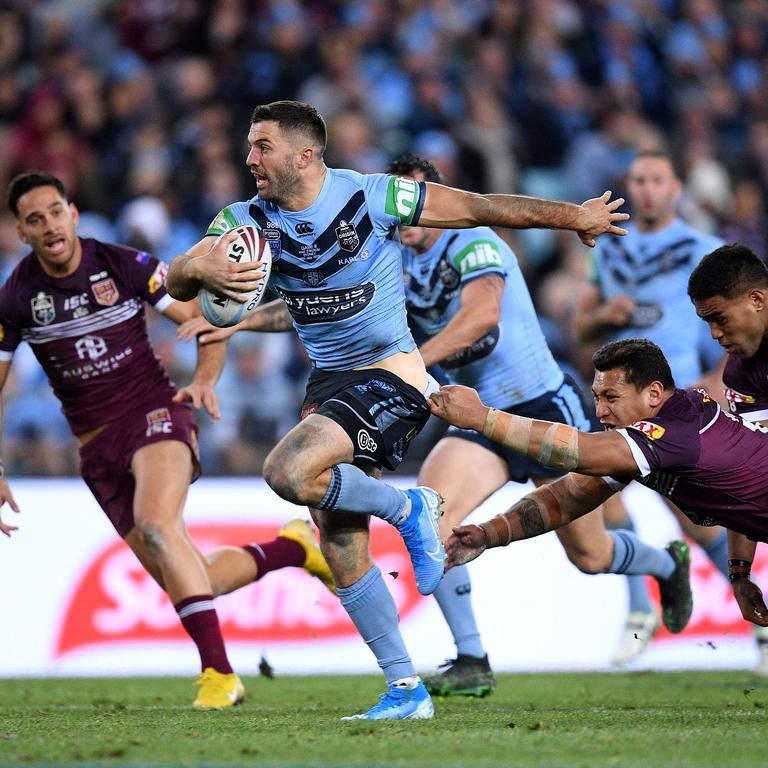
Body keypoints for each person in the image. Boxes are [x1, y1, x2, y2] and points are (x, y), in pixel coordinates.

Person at [164, 100, 629, 720]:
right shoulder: (244, 221)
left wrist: (574, 216)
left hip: (393, 372)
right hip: (327, 383)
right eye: (250, 147)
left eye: (262, 146)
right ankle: (405, 689)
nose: (250, 159)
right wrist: (198, 266)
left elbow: (481, 206)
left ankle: (410, 507)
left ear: (306, 154)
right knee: (338, 538)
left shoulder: (373, 197)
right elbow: (178, 282)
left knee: (287, 471)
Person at [0, 171, 335, 709]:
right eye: (34, 219)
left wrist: (203, 379)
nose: (49, 225)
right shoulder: (16, 298)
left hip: (155, 415)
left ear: (73, 213)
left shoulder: (121, 264)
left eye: (55, 212)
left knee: (158, 525)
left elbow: (208, 320)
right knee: (190, 576)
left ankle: (219, 675)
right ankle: (292, 547)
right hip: (96, 450)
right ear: (21, 230)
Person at [387, 154, 689, 695]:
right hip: (477, 419)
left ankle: (664, 565)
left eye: (416, 203)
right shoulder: (392, 261)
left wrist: (416, 363)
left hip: (545, 408)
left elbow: (481, 317)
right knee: (428, 523)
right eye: (399, 204)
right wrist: (244, 317)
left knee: (591, 556)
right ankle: (472, 658)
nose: (406, 215)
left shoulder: (474, 242)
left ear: (435, 204)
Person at [428, 339, 768, 632]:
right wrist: (490, 533)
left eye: (611, 397)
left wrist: (482, 417)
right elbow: (567, 498)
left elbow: (577, 452)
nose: (601, 411)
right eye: (597, 397)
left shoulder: (676, 432)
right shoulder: (645, 442)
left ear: (653, 393)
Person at [573, 149, 729, 662]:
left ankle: (758, 618)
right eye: (637, 180)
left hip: (676, 403)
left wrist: (715, 384)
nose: (645, 189)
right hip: (616, 404)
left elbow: (744, 335)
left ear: (676, 187)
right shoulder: (608, 248)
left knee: (695, 522)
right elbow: (579, 329)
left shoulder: (705, 252)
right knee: (602, 497)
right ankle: (639, 610)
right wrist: (602, 316)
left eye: (656, 179)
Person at [688, 243, 768, 672]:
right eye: (707, 323)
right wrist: (739, 574)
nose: (715, 335)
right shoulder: (739, 374)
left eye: (719, 318)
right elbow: (751, 479)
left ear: (757, 300)